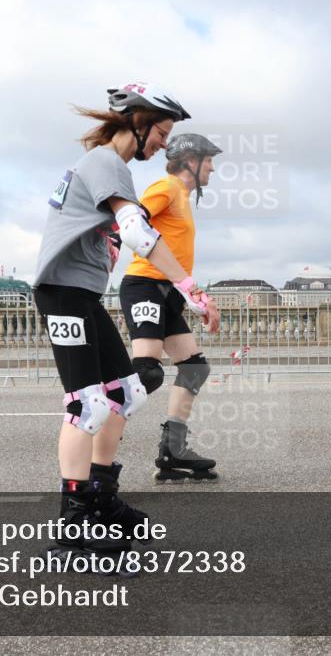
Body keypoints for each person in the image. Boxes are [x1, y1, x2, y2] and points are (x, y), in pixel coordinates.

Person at [32, 83, 218, 562]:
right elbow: (138, 230)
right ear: (137, 120)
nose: (162, 145)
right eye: (162, 132)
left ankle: (99, 493)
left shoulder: (104, 167)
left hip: (83, 294)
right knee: (86, 405)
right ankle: (74, 521)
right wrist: (189, 289)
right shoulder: (105, 162)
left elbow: (110, 230)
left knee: (127, 391)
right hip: (62, 294)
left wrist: (107, 246)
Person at [119, 133, 224, 482]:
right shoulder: (165, 187)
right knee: (146, 373)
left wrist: (194, 295)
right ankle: (92, 435)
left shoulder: (182, 197)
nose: (212, 167)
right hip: (144, 286)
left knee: (195, 369)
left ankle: (172, 450)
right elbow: (134, 222)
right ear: (190, 161)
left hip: (168, 293)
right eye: (208, 160)